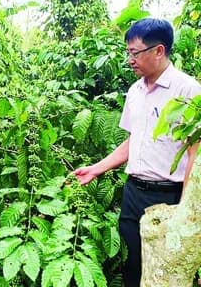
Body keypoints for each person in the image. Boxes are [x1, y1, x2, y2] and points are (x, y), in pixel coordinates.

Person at [74, 18, 201, 286]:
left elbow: (194, 152)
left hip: (169, 196)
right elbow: (134, 142)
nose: (129, 60)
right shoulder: (135, 91)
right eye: (128, 53)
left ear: (158, 50)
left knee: (166, 271)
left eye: (135, 52)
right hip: (133, 194)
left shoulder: (188, 90)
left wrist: (184, 207)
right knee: (132, 266)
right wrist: (96, 169)